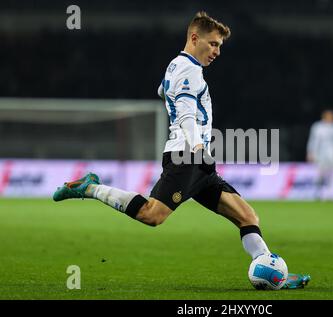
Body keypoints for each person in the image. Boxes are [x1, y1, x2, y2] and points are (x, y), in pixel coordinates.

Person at [53, 11, 309, 289]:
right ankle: (91, 188)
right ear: (194, 37)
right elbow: (186, 114)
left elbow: (163, 90)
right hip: (187, 155)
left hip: (196, 159)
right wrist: (199, 147)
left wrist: (173, 101)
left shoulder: (176, 66)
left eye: (220, 46)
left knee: (247, 216)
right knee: (152, 215)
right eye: (213, 44)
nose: (217, 51)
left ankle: (274, 275)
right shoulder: (189, 70)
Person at [306, 109, 333, 200]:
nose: (330, 118)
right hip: (320, 153)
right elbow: (313, 140)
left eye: (332, 116)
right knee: (320, 174)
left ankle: (329, 194)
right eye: (328, 116)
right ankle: (317, 192)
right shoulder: (317, 127)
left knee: (332, 175)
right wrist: (310, 152)